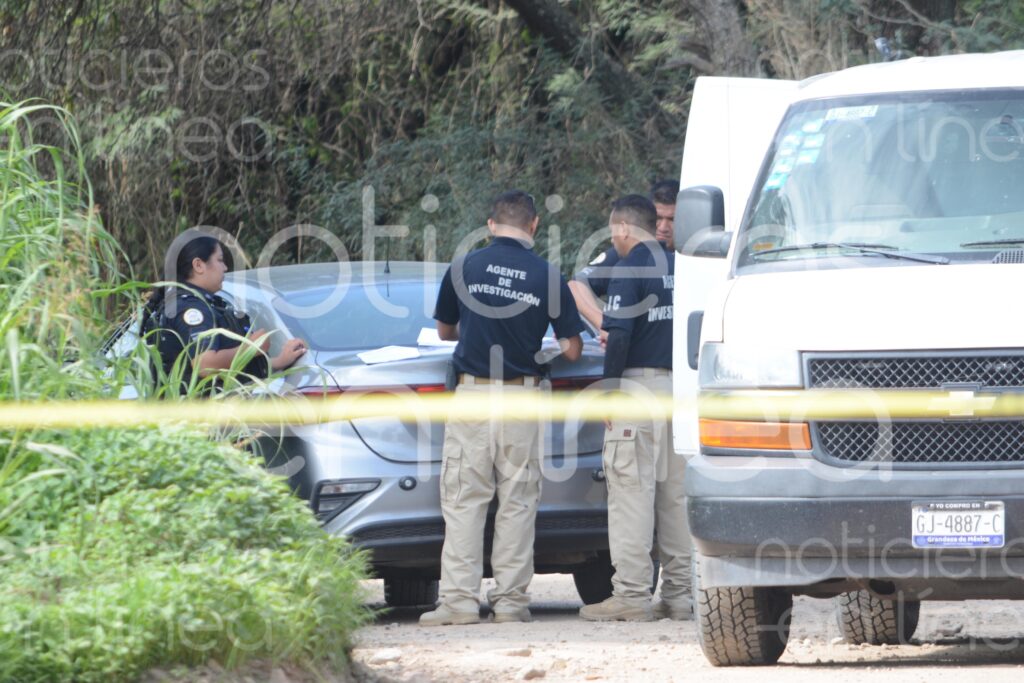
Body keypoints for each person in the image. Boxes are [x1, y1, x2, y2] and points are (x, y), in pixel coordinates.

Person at [421, 190, 585, 626]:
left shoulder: (464, 267)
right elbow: (572, 350)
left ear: (490, 225)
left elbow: (443, 331)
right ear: (533, 226)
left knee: (464, 499)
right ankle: (511, 603)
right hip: (522, 399)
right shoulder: (549, 276)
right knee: (517, 501)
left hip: (473, 397)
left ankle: (457, 604)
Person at [579, 194, 690, 622]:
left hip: (638, 389)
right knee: (674, 497)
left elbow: (618, 335)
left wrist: (609, 390)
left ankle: (630, 595)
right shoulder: (681, 267)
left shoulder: (629, 269)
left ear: (623, 229)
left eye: (613, 232)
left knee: (630, 494)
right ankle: (680, 596)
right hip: (679, 392)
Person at [142, 231, 306, 394]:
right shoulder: (191, 308)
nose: (225, 268)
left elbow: (227, 367)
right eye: (220, 260)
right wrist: (251, 347)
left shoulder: (191, 303)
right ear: (198, 265)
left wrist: (279, 361)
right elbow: (205, 365)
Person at [569, 179, 678, 341]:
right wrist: (607, 327)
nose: (662, 227)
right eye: (658, 218)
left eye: (671, 220)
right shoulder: (625, 255)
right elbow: (575, 286)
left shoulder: (698, 258)